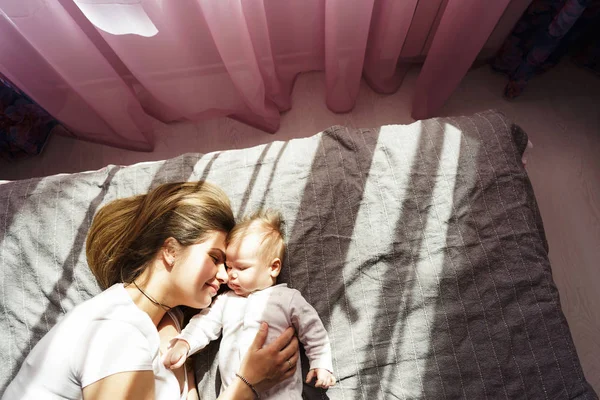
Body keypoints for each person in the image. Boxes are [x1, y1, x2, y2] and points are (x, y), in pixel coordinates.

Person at [2, 181, 299, 400]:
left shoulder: (167, 325)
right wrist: (248, 382)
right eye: (214, 258)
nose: (224, 275)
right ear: (170, 250)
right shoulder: (115, 331)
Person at [164, 210, 335, 399]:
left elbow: (313, 331)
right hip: (235, 391)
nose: (231, 274)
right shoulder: (226, 300)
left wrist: (321, 363)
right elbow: (205, 323)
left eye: (242, 267)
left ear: (273, 268)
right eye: (229, 266)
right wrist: (185, 343)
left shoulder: (287, 298)